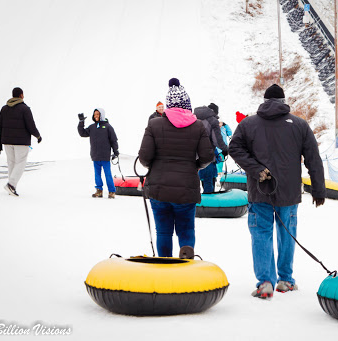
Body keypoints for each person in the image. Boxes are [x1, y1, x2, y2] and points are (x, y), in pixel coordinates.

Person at [229, 84, 326, 299]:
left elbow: (234, 148)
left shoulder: (248, 124)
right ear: (284, 102)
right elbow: (313, 158)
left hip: (259, 190)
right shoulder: (299, 125)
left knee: (261, 234)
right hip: (289, 192)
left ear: (264, 101)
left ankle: (265, 282)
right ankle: (285, 280)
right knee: (287, 234)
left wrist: (256, 170)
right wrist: (318, 189)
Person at [138, 78, 214, 257]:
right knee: (186, 228)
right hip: (186, 188)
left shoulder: (154, 125)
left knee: (163, 231)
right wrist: (195, 166)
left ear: (168, 105)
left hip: (158, 187)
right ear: (187, 104)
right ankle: (186, 258)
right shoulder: (197, 127)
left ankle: (165, 265)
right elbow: (207, 156)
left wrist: (155, 167)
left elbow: (144, 158)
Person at [0, 87, 42, 196]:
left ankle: (11, 187)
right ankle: (11, 185)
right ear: (21, 95)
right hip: (21, 142)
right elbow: (31, 126)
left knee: (11, 163)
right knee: (20, 162)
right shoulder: (25, 109)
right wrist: (38, 136)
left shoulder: (4, 109)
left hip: (6, 141)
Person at [78, 108, 119, 198]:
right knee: (97, 175)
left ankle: (112, 192)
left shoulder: (108, 127)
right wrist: (81, 122)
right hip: (95, 156)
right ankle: (99, 191)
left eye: (98, 114)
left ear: (102, 115)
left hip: (105, 156)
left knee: (108, 175)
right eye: (95, 114)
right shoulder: (92, 127)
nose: (96, 116)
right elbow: (82, 133)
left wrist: (116, 152)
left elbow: (114, 140)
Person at [194, 103, 229, 193]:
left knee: (200, 182)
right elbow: (217, 140)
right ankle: (208, 205)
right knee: (209, 183)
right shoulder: (212, 120)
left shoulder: (194, 118)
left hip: (194, 157)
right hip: (207, 157)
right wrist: (225, 149)